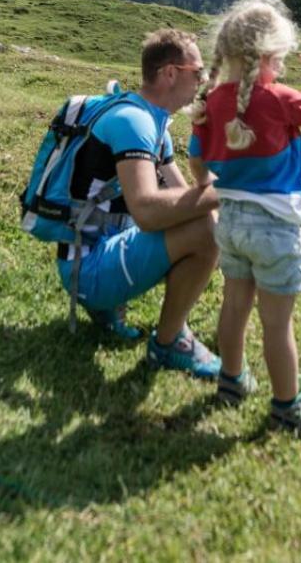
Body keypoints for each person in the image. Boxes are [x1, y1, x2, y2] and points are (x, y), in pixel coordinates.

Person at [188, 0, 301, 433]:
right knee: (277, 323)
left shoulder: (210, 101)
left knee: (234, 305)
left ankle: (232, 381)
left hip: (230, 223)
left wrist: (204, 185)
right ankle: (288, 407)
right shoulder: (279, 97)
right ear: (274, 55)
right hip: (274, 228)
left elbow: (196, 156)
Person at [36, 27, 224, 377]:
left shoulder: (154, 124)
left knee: (206, 226)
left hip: (94, 253)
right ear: (170, 73)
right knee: (206, 231)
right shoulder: (134, 122)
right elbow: (148, 211)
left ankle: (110, 309)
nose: (202, 81)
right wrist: (230, 191)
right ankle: (168, 344)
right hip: (88, 271)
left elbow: (183, 196)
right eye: (197, 73)